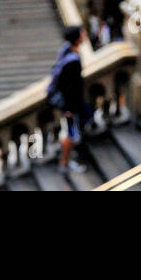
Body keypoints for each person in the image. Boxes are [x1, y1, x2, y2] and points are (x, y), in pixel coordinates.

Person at [48, 25, 89, 174]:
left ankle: (66, 160)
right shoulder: (73, 60)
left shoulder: (66, 49)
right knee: (71, 135)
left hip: (67, 103)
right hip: (70, 106)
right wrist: (69, 110)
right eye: (82, 33)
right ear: (78, 38)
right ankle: (64, 163)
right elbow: (70, 87)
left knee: (71, 132)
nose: (85, 34)